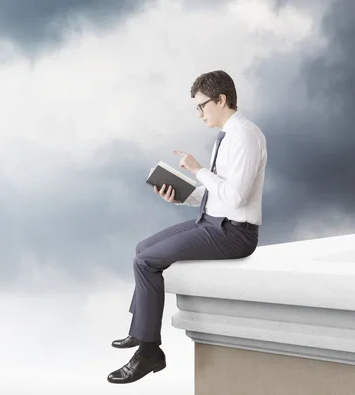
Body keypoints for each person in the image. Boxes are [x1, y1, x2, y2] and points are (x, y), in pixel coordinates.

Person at [106, 70, 267, 384]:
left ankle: (150, 352)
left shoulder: (246, 135)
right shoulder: (227, 137)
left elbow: (236, 198)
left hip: (234, 233)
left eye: (202, 106)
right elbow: (216, 194)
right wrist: (182, 194)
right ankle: (141, 332)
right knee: (143, 249)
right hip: (213, 222)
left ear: (221, 99)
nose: (199, 113)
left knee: (145, 262)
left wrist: (198, 169)